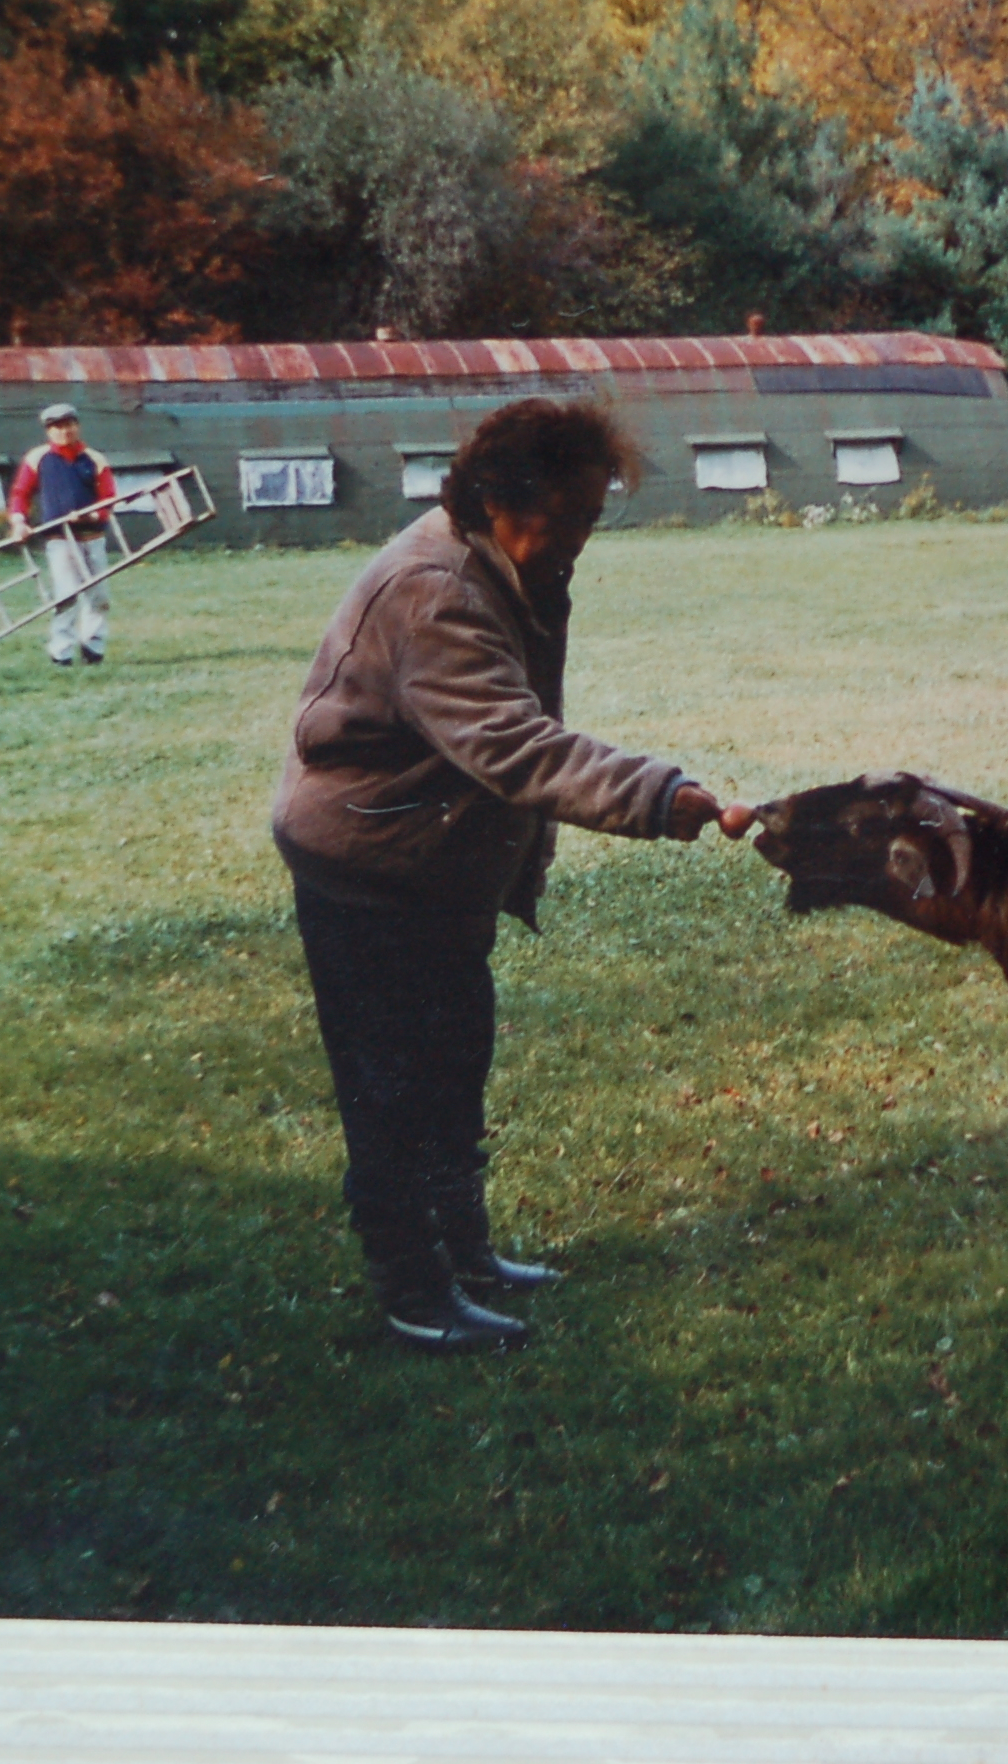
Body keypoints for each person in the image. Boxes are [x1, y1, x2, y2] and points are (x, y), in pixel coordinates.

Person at [271, 398, 745, 1354]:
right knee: (393, 1096)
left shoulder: (504, 563)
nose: (576, 540)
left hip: (435, 873)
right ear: (495, 498)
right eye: (562, 517)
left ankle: (468, 1258)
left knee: (453, 1070)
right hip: (370, 874)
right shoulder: (435, 589)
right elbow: (515, 745)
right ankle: (415, 1292)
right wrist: (663, 796)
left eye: (589, 520)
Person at [7, 402, 116, 666]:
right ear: (48, 431)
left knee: (98, 596)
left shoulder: (95, 459)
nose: (64, 431)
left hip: (92, 537)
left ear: (77, 426)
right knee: (66, 595)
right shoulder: (37, 458)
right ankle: (62, 652)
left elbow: (109, 498)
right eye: (57, 427)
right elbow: (20, 494)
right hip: (59, 539)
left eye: (68, 424)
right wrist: (19, 522)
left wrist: (90, 515)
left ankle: (93, 648)